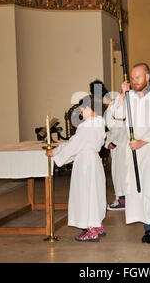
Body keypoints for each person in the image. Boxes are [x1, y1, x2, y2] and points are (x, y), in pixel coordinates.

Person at [112, 63, 150, 244]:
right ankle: (149, 226)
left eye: (138, 77)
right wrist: (122, 94)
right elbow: (116, 114)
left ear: (147, 77)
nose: (134, 81)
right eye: (132, 77)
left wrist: (142, 142)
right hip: (133, 150)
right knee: (139, 188)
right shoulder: (129, 97)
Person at [46, 95, 107, 242]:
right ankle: (97, 225)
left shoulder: (86, 126)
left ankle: (91, 229)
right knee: (94, 193)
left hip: (85, 164)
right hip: (94, 161)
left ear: (90, 108)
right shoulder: (99, 122)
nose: (80, 110)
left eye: (82, 107)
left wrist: (54, 153)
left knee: (85, 194)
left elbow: (73, 146)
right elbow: (78, 145)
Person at [104, 99, 128, 210]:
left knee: (121, 173)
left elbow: (124, 127)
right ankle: (123, 199)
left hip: (122, 145)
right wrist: (107, 142)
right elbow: (112, 130)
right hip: (118, 144)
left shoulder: (119, 104)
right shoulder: (112, 106)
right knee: (118, 173)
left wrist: (114, 142)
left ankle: (123, 201)